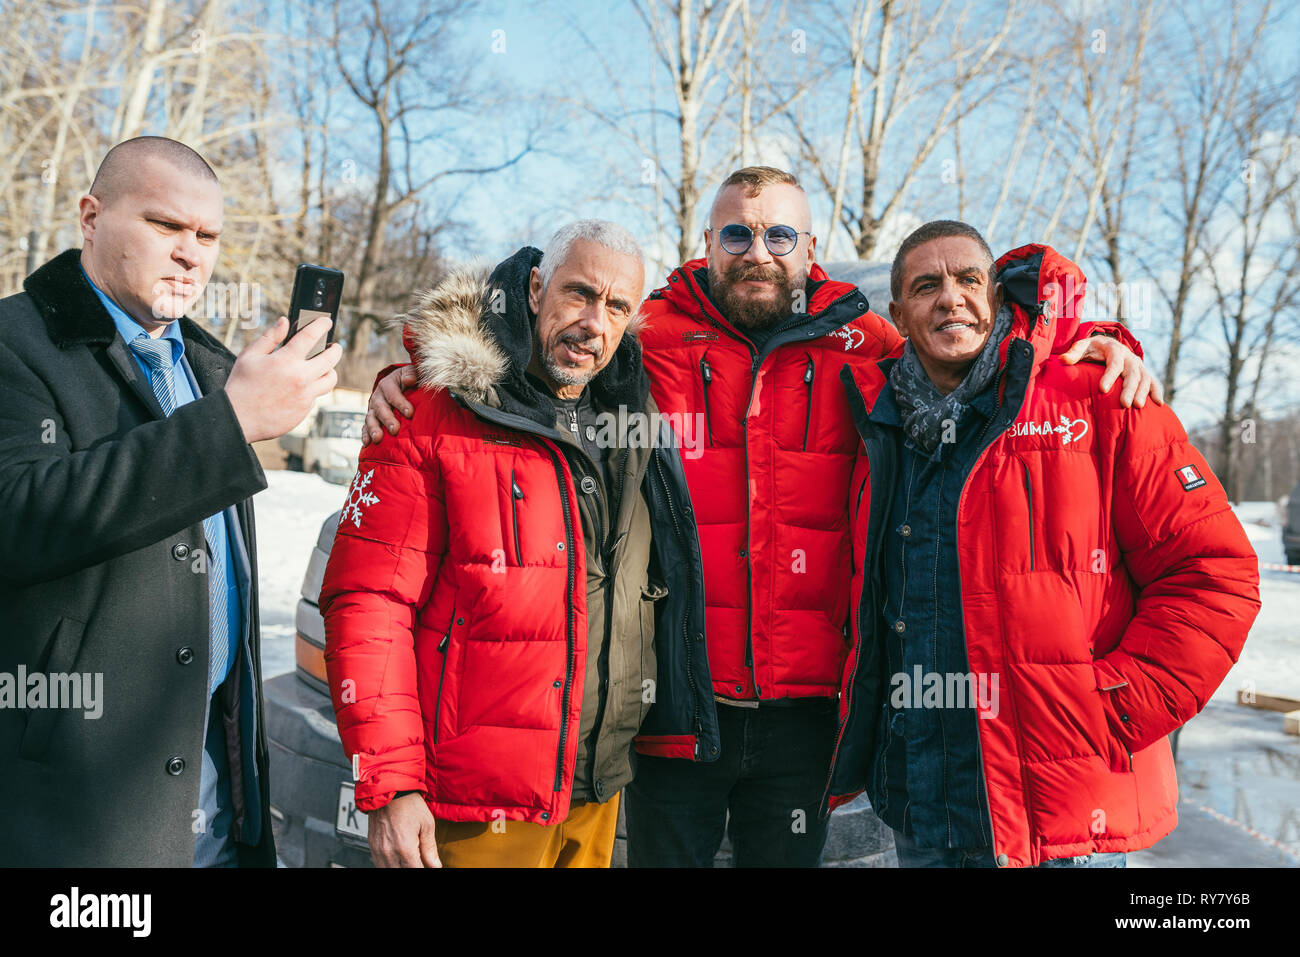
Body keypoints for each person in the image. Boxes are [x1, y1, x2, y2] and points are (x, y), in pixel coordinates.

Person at [364, 167, 1156, 867]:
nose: (758, 250)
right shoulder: (646, 337)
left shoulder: (870, 345)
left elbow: (979, 353)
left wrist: (1090, 342)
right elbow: (523, 356)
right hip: (675, 709)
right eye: (737, 233)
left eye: (780, 233)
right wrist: (417, 372)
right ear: (707, 242)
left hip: (808, 717)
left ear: (809, 245)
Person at [825, 221, 1260, 867]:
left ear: (997, 299)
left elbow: (1214, 572)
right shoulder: (881, 428)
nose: (950, 298)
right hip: (923, 808)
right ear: (898, 314)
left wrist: (1107, 708)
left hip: (1059, 818)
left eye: (969, 279)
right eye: (926, 285)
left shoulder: (1098, 395)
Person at [318, 221, 716, 868]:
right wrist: (390, 783)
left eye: (617, 306)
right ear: (534, 288)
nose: (594, 321)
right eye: (579, 293)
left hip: (594, 793)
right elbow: (369, 601)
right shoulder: (432, 410)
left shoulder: (629, 416)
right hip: (474, 805)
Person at [0, 136, 342, 866]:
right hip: (77, 825)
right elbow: (19, 515)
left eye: (207, 235)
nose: (191, 252)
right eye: (164, 225)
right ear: (91, 218)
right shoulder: (14, 341)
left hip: (218, 812)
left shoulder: (216, 368)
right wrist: (234, 424)